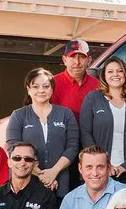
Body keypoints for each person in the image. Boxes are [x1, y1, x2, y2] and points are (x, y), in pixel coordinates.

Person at [6, 68, 79, 200]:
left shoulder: (66, 114)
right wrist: (40, 175)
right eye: (35, 86)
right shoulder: (18, 115)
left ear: (52, 89)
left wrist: (54, 172)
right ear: (28, 89)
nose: (41, 90)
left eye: (46, 86)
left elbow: (73, 147)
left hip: (60, 181)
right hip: (26, 180)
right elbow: (13, 147)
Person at [80, 56, 126, 186]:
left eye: (120, 71)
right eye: (110, 71)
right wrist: (103, 164)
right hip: (98, 171)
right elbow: (85, 133)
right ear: (104, 76)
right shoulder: (93, 98)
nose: (115, 74)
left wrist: (125, 166)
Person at [50, 39, 98, 121]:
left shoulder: (98, 86)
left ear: (89, 60)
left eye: (82, 57)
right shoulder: (51, 84)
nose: (77, 62)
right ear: (65, 60)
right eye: (73, 56)